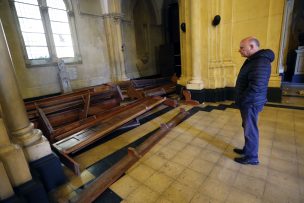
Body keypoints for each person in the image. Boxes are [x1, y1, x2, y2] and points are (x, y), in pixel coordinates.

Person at [234, 36, 274, 165]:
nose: (239, 50)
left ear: (252, 47)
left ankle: (252, 157)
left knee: (250, 129)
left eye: (242, 48)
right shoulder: (254, 59)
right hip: (249, 102)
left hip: (250, 102)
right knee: (247, 127)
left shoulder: (260, 62)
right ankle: (248, 149)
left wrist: (243, 100)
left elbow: (256, 86)